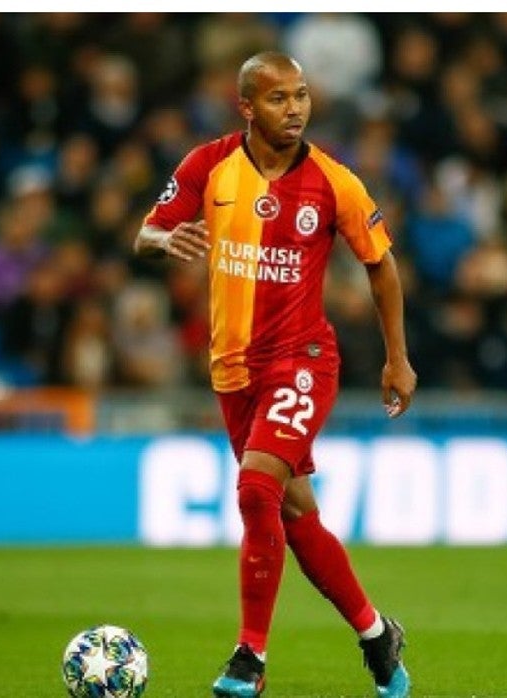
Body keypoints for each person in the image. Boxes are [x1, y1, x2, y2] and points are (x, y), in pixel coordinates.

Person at [135, 52, 414, 698]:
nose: (295, 109)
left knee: (257, 490)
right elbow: (147, 232)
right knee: (293, 515)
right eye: (278, 98)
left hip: (304, 361)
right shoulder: (207, 166)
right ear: (247, 108)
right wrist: (163, 241)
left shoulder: (334, 182)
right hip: (232, 372)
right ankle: (377, 636)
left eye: (302, 96)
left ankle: (249, 660)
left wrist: (397, 356)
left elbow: (381, 264)